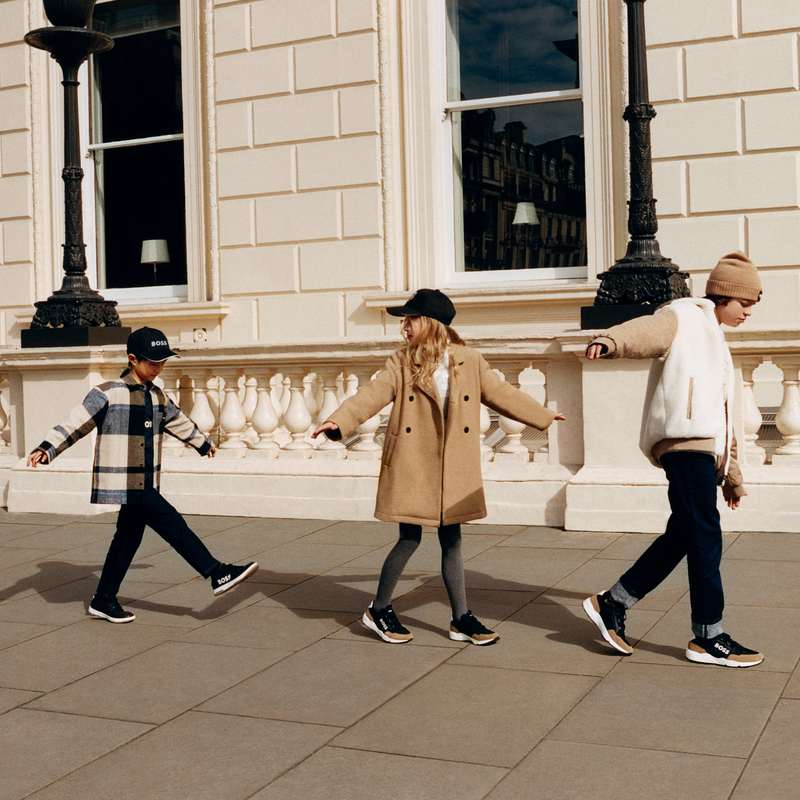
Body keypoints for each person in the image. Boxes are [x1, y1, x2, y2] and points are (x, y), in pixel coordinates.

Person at [312, 289, 565, 645]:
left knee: (453, 541)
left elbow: (501, 393)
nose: (404, 327)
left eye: (410, 320)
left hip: (452, 465)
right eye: (404, 321)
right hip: (413, 461)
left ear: (430, 323)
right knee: (409, 538)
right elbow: (373, 393)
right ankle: (378, 609)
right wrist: (339, 421)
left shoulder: (469, 360)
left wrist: (542, 414)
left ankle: (461, 618)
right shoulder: (402, 361)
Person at [582, 252, 764, 667]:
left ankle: (613, 602)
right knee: (706, 537)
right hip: (683, 444)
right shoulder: (684, 315)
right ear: (722, 296)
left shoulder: (717, 343)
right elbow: (645, 330)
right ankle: (708, 636)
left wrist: (731, 476)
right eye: (744, 303)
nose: (748, 312)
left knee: (684, 534)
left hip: (702, 451)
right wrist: (610, 341)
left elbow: (725, 420)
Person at [27, 326, 258, 623]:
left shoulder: (157, 396)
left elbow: (177, 421)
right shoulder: (108, 393)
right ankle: (217, 572)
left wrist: (202, 443)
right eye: (152, 362)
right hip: (125, 479)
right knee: (171, 521)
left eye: (162, 362)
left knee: (127, 537)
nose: (158, 368)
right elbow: (76, 423)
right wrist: (47, 448)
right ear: (132, 359)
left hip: (146, 478)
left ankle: (103, 599)